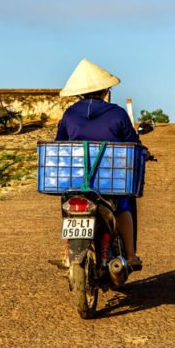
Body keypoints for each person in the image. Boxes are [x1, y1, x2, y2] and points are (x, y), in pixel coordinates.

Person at [56, 58, 143, 269]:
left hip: (76, 180)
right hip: (111, 180)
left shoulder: (69, 114)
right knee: (124, 206)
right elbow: (133, 142)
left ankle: (67, 254)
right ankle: (130, 256)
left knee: (68, 207)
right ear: (105, 91)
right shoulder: (118, 113)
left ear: (79, 93)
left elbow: (59, 144)